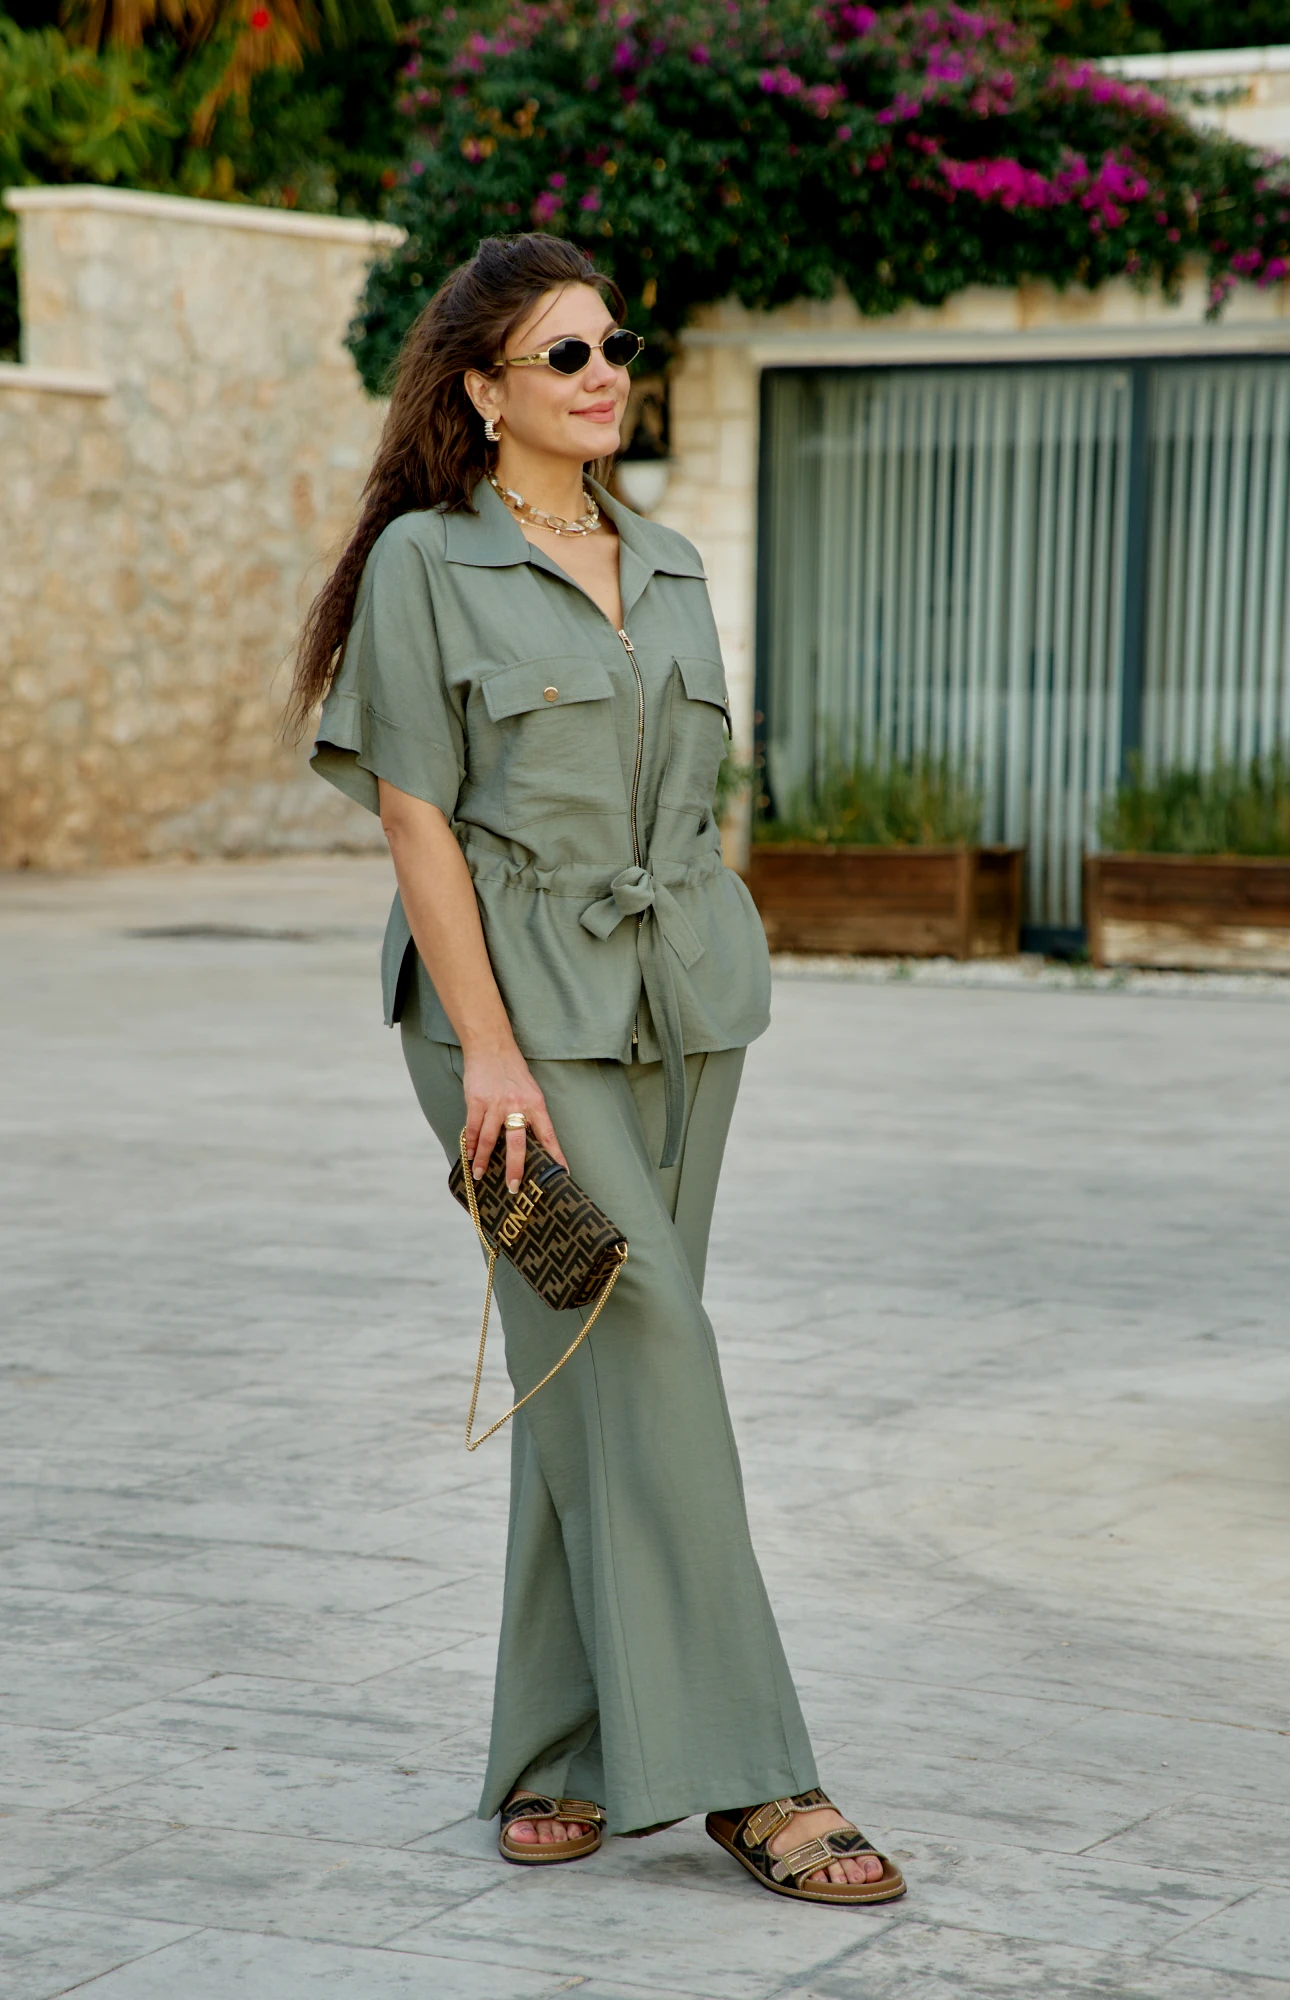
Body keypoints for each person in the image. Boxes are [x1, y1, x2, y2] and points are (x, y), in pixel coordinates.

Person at [290, 232, 904, 1907]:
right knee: (654, 1349)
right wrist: (488, 1054)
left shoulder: (677, 562)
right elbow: (414, 817)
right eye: (564, 353)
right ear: (483, 391)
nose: (604, 372)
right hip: (510, 1033)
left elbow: (686, 805)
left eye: (615, 344)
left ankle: (553, 1753)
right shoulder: (427, 561)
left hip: (684, 1019)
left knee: (600, 1374)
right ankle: (755, 1777)